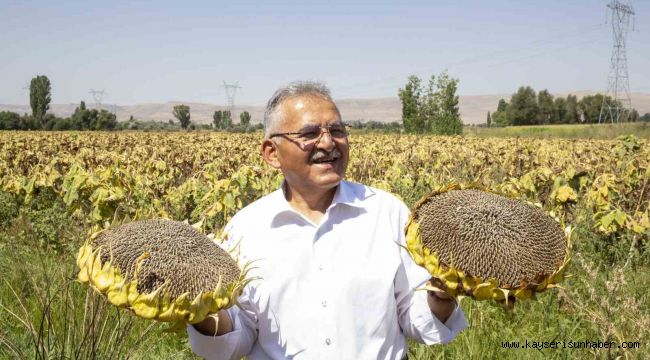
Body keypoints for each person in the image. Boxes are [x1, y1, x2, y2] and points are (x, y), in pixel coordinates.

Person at [187, 81, 467, 359]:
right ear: (272, 153)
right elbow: (236, 341)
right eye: (309, 133)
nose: (328, 142)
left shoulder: (387, 212)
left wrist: (441, 295)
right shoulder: (246, 229)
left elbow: (416, 318)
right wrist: (198, 306)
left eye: (337, 130)